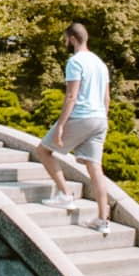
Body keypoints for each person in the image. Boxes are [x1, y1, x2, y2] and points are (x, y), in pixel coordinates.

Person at [34, 21, 113, 231]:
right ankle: (103, 220)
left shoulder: (75, 61)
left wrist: (61, 125)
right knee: (95, 168)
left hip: (81, 116)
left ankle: (65, 195)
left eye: (65, 39)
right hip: (100, 119)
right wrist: (101, 120)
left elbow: (71, 96)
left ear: (72, 39)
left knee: (43, 150)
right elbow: (107, 98)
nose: (65, 43)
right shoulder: (100, 64)